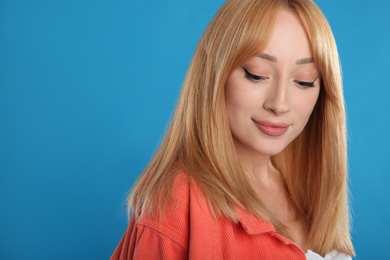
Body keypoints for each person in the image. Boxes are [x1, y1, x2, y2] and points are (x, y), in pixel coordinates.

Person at [111, 0, 355, 259]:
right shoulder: (178, 205)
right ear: (216, 74)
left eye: (304, 81)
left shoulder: (307, 187)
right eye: (256, 75)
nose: (279, 104)